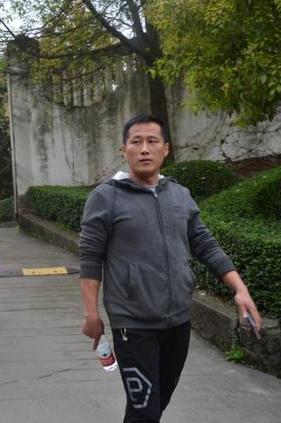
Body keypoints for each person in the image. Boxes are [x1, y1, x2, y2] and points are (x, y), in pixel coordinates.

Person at [79, 113, 262, 423]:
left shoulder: (179, 195)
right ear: (124, 149)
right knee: (145, 410)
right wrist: (92, 314)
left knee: (156, 403)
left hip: (178, 320)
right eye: (136, 142)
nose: (145, 149)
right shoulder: (105, 198)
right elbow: (90, 257)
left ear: (166, 149)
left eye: (152, 141)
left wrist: (240, 288)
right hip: (132, 324)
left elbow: (205, 244)